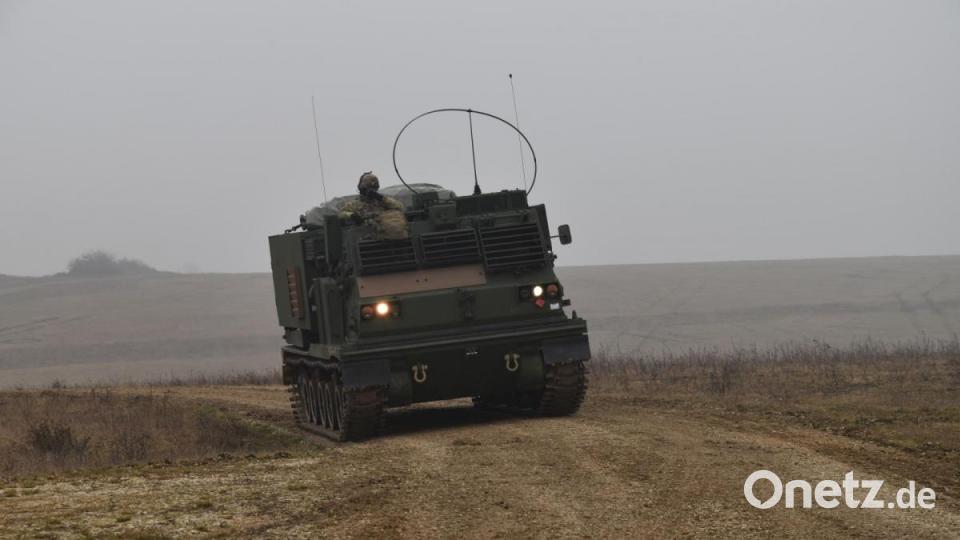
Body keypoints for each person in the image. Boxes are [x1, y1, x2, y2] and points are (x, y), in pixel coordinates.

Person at [338, 172, 408, 239]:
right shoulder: (354, 204)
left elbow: (400, 207)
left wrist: (381, 198)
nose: (370, 191)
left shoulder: (382, 201)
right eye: (367, 189)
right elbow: (340, 214)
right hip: (364, 236)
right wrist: (351, 215)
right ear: (361, 189)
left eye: (373, 189)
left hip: (383, 234)